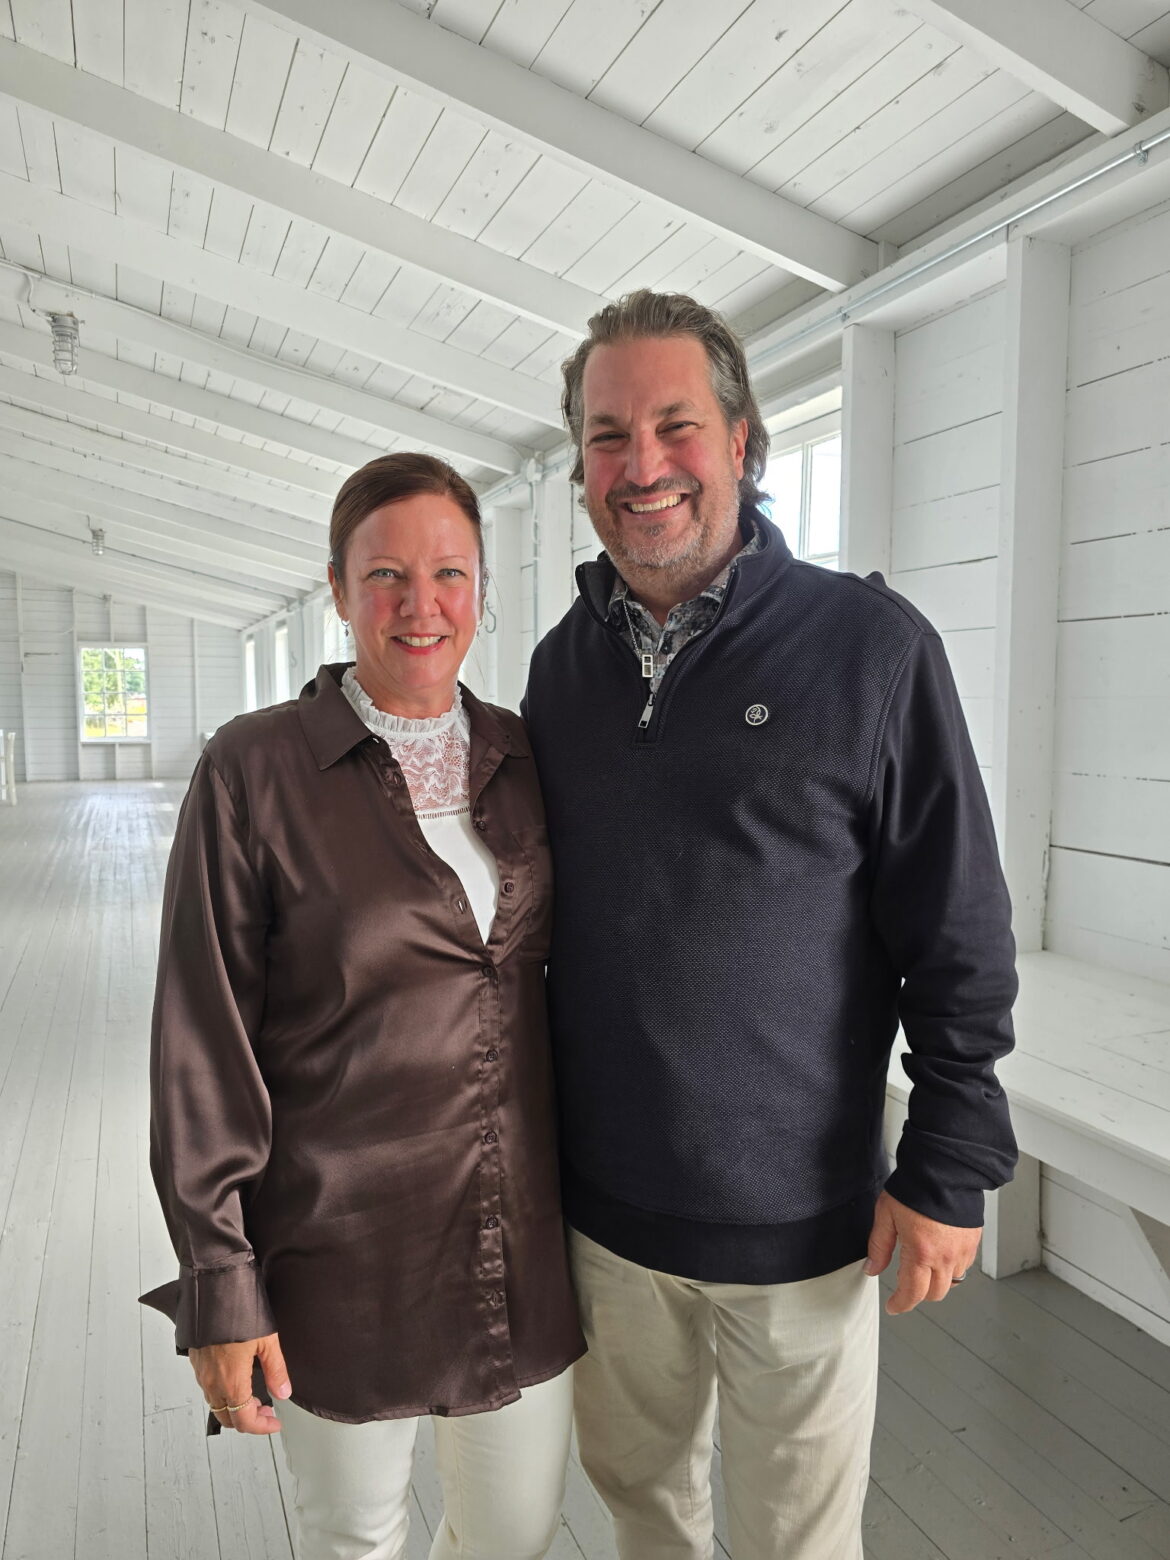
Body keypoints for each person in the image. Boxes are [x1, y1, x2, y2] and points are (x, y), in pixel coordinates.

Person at [521, 291, 1018, 1560]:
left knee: (796, 1543)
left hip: (803, 1230)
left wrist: (949, 1161)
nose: (642, 466)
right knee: (645, 1514)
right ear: (579, 465)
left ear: (743, 441)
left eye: (676, 426)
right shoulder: (561, 671)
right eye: (607, 436)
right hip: (607, 1219)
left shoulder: (871, 651)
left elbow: (957, 928)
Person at [144, 452, 584, 1560]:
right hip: (339, 1249)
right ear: (339, 590)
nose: (420, 605)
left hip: (514, 1242)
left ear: (480, 588)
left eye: (449, 573)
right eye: (386, 575)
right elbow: (202, 1039)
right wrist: (220, 1282)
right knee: (356, 1541)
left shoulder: (524, 758)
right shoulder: (253, 770)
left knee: (516, 1536)